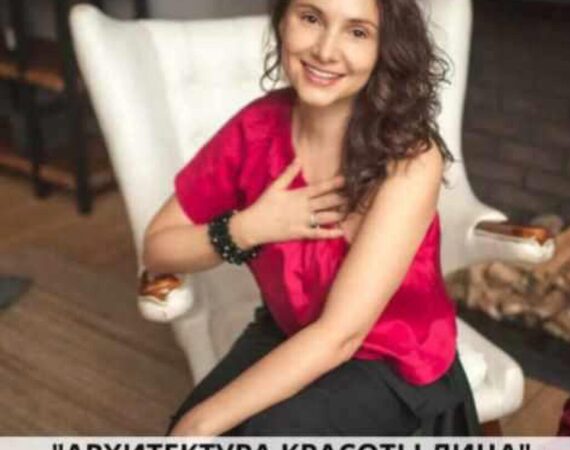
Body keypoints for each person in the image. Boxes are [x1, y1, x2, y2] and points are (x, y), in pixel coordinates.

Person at [143, 0, 481, 437]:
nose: (325, 50)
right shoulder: (255, 128)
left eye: (357, 32)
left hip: (390, 360)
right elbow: (157, 248)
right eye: (311, 18)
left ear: (386, 47)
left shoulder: (410, 160)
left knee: (228, 431)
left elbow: (341, 335)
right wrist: (248, 228)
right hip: (288, 329)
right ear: (283, 20)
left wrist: (198, 424)